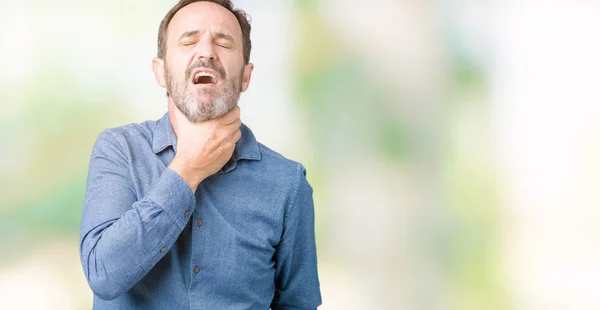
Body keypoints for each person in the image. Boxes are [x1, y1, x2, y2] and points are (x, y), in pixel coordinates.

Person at [79, 0, 322, 309]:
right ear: (161, 72)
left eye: (223, 42)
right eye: (189, 41)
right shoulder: (119, 151)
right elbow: (103, 275)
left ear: (246, 76)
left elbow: (298, 304)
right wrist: (187, 169)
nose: (206, 51)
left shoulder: (287, 183)